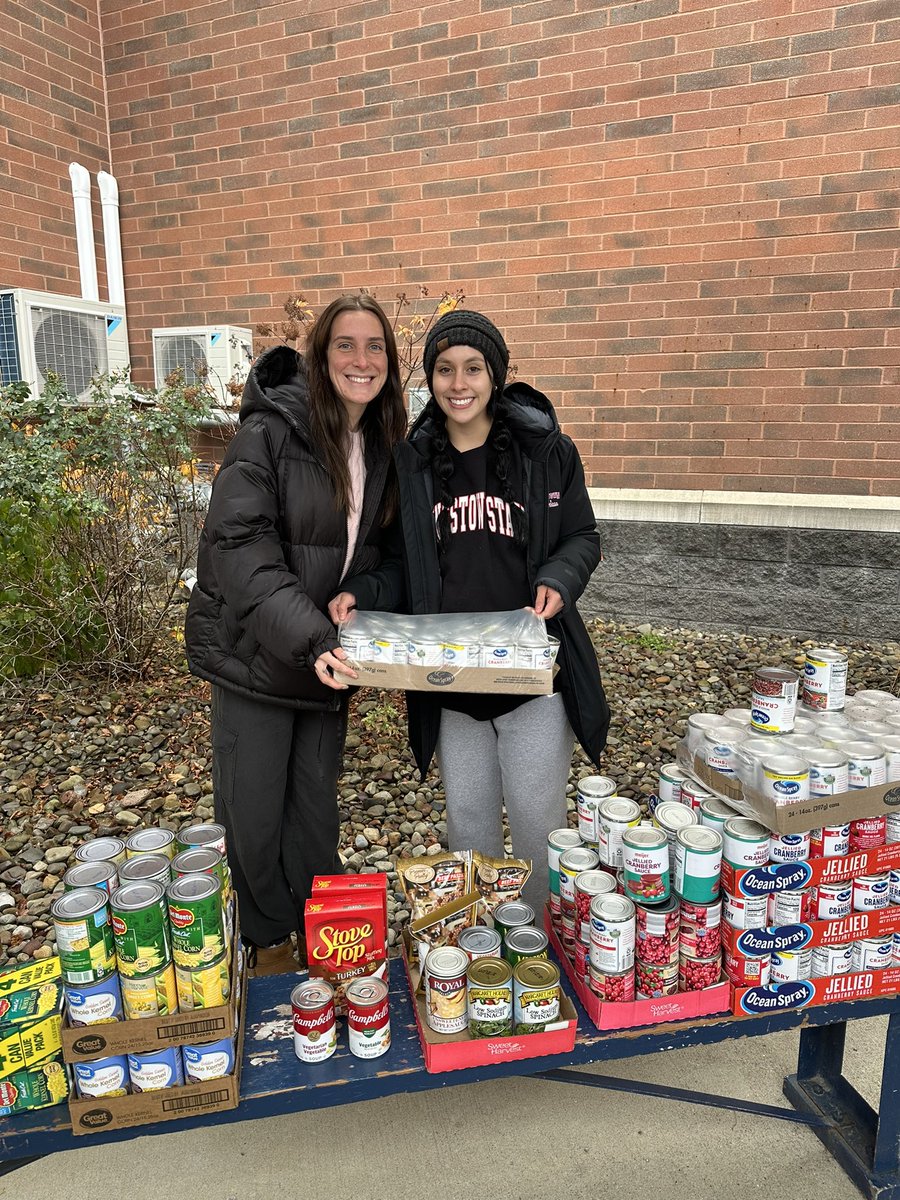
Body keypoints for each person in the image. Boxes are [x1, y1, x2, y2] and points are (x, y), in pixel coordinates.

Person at [330, 310, 610, 911]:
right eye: (444, 369)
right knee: (470, 830)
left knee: (539, 830)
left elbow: (582, 536)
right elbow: (402, 566)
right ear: (429, 380)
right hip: (451, 684)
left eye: (473, 368)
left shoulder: (547, 453)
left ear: (495, 375)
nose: (459, 383)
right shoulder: (413, 465)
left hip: (534, 682)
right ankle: (479, 945)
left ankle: (544, 949)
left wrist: (559, 578)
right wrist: (366, 593)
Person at [185, 295, 406, 975]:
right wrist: (312, 639)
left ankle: (330, 936)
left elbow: (386, 559)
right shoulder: (270, 431)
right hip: (259, 655)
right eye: (345, 344)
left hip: (323, 661)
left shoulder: (384, 447)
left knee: (314, 810)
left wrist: (361, 596)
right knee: (252, 813)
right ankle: (268, 943)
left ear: (390, 366)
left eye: (375, 347)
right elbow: (239, 546)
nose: (361, 360)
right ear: (319, 355)